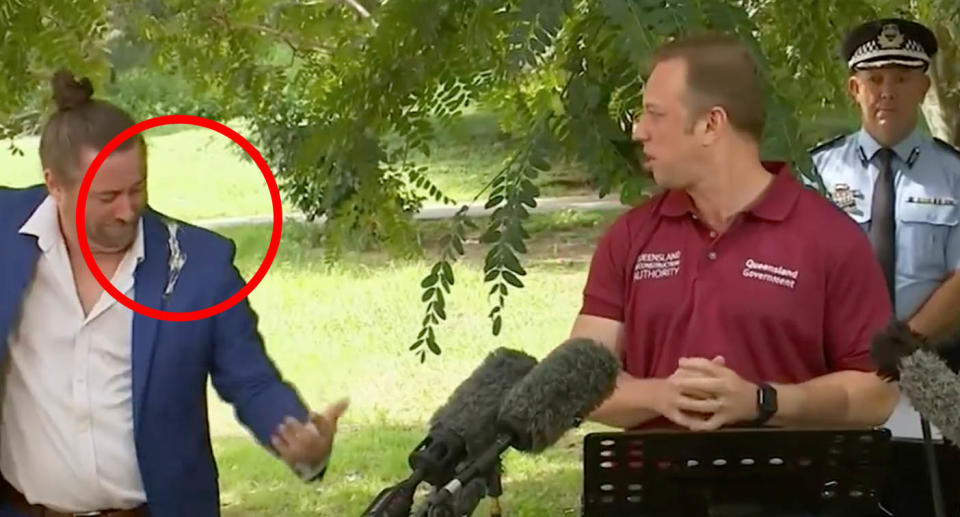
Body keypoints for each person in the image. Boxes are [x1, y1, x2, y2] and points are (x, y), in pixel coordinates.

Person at [0, 71, 346, 517]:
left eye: (137, 188)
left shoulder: (200, 267)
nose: (128, 211)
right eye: (106, 197)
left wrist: (300, 439)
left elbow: (251, 380)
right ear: (55, 185)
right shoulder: (6, 233)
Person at [572, 33, 899, 436]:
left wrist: (762, 402)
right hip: (653, 493)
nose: (638, 131)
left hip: (790, 494)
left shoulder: (831, 239)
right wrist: (664, 396)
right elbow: (579, 382)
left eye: (655, 114)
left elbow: (877, 394)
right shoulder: (630, 237)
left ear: (711, 124)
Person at [810, 18, 960, 439]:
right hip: (834, 371)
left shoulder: (954, 174)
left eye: (902, 78)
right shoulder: (815, 172)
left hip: (933, 365)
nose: (887, 91)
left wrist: (906, 341)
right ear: (854, 89)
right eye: (874, 78)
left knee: (932, 495)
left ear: (924, 88)